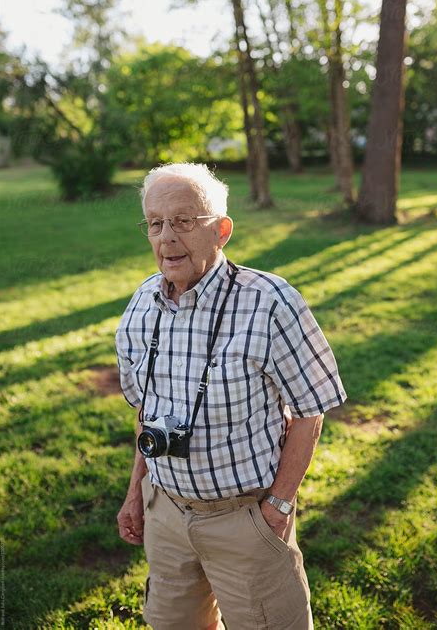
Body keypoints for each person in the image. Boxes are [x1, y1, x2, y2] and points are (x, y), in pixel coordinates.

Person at [115, 163, 347, 630]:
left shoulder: (270, 301)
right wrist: (135, 494)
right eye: (155, 224)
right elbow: (145, 410)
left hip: (247, 518)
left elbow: (309, 409)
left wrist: (278, 507)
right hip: (166, 514)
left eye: (184, 221)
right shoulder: (141, 305)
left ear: (221, 231)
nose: (167, 238)